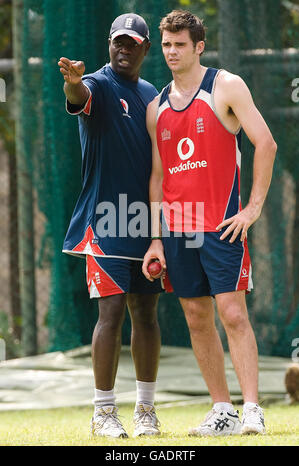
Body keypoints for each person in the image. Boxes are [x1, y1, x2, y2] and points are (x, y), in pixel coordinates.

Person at [142, 10, 277, 436]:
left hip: (223, 225)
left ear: (198, 46)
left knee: (232, 313)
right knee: (196, 318)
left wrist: (252, 208)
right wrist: (155, 240)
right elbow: (158, 179)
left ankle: (252, 407)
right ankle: (222, 408)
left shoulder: (226, 86)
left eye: (180, 44)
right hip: (177, 232)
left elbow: (266, 142)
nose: (171, 52)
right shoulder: (155, 108)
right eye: (166, 44)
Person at [58, 13, 163, 439]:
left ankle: (146, 411)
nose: (123, 48)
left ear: (145, 49)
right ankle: (103, 412)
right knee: (112, 312)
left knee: (147, 314)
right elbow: (78, 95)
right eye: (117, 41)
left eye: (132, 42)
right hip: (103, 223)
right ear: (109, 44)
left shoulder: (152, 94)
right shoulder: (98, 85)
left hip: (143, 223)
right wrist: (73, 82)